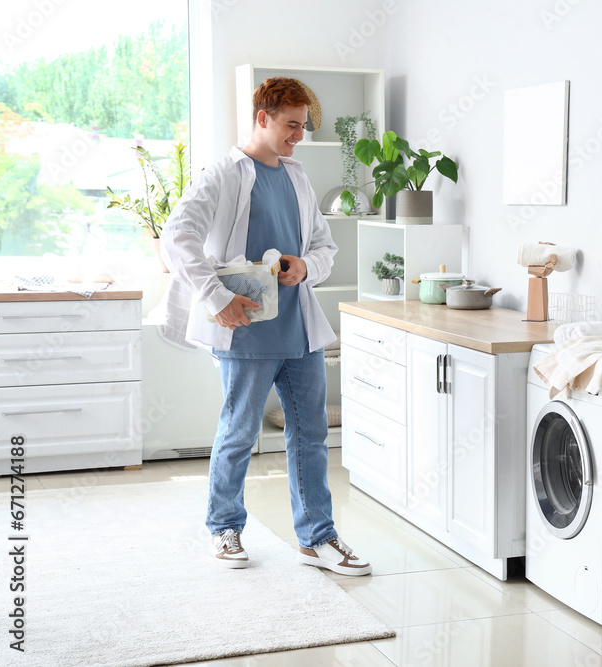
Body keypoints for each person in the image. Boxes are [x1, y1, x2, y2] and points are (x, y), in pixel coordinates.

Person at [161, 77, 370, 576]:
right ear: (263, 118)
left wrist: (306, 267)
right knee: (239, 433)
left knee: (311, 435)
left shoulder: (297, 177)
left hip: (298, 331)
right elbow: (177, 235)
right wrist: (215, 298)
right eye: (291, 125)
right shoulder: (223, 174)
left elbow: (324, 247)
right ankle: (223, 527)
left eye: (303, 126)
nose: (298, 136)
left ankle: (317, 537)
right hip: (246, 329)